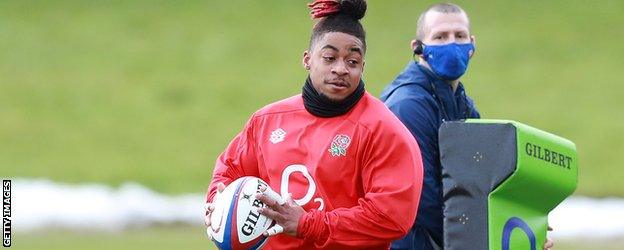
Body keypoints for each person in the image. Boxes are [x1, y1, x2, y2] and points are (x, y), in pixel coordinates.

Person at [204, 0, 424, 249]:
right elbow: (230, 171)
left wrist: (307, 224)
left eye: (352, 62)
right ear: (308, 59)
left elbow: (392, 218)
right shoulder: (267, 120)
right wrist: (217, 202)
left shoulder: (384, 131)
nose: (340, 69)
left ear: (362, 67)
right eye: (329, 58)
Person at [380, 3, 553, 250]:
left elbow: (480, 183)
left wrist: (524, 225)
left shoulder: (462, 103)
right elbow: (420, 198)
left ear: (472, 45)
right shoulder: (408, 106)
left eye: (459, 36)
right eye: (440, 37)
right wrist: (486, 240)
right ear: (418, 48)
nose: (452, 44)